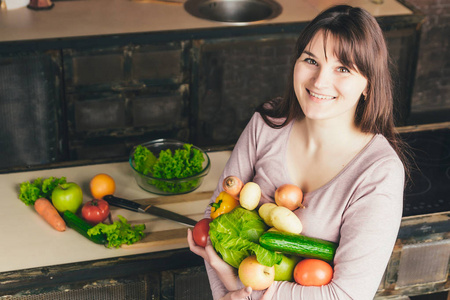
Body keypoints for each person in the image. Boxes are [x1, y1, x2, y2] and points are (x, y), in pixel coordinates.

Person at [188, 4, 410, 300]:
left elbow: (348, 295)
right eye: (311, 60)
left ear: (368, 84)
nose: (319, 81)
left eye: (342, 68)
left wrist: (236, 287)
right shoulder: (268, 122)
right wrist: (225, 295)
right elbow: (215, 219)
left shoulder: (379, 172)